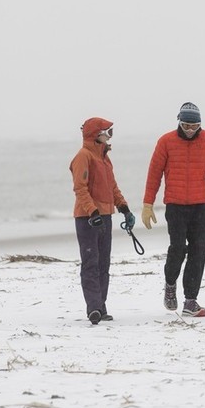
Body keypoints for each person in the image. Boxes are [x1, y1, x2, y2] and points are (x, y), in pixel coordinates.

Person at [142, 102, 205, 317]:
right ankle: (170, 284)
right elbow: (154, 174)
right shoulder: (166, 141)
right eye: (186, 126)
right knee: (178, 249)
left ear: (200, 124)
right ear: (179, 122)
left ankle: (190, 301)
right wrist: (147, 205)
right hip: (175, 206)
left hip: (200, 206)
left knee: (199, 252)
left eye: (194, 126)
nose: (190, 130)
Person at [69, 117, 135, 325]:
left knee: (103, 263)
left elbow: (112, 187)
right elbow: (80, 188)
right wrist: (93, 212)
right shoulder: (83, 156)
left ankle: (101, 305)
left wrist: (124, 208)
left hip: (105, 216)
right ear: (96, 135)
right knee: (91, 262)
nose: (110, 137)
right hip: (88, 218)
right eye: (108, 132)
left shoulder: (105, 158)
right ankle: (93, 308)